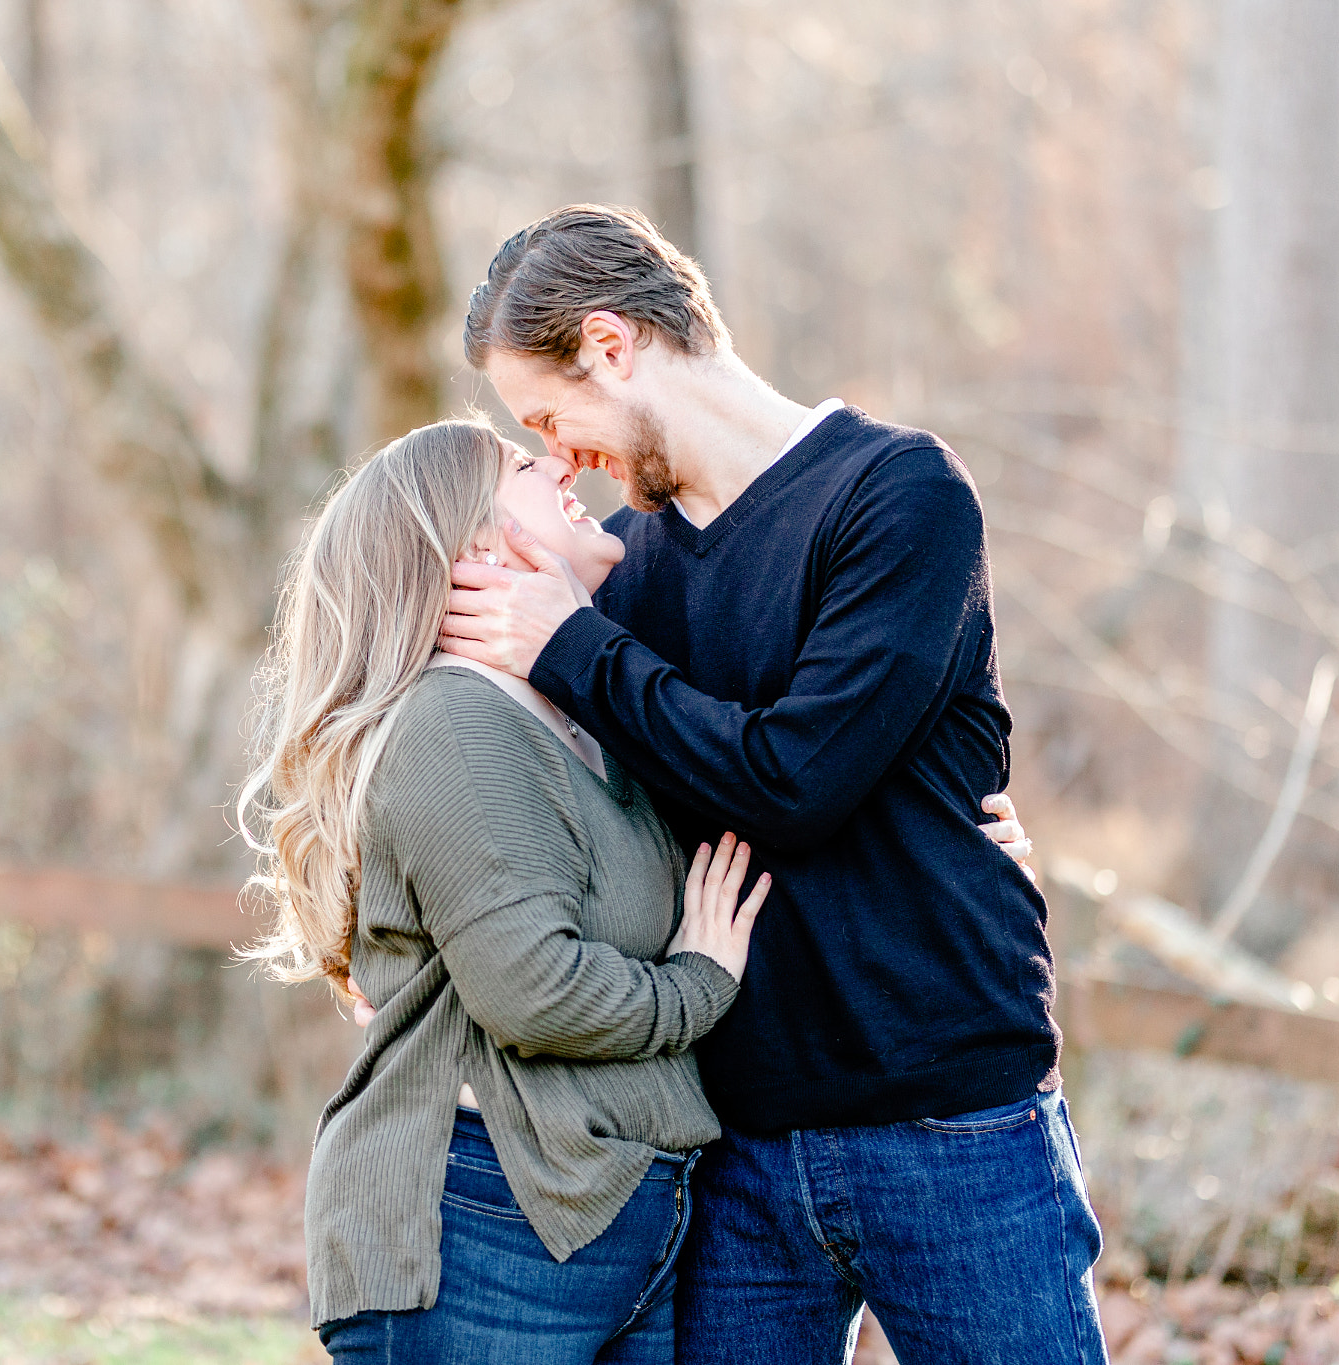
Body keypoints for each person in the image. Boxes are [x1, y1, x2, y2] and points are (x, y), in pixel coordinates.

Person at [437, 205, 1105, 1365]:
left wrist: (571, 647)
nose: (559, 457)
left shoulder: (894, 496)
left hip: (946, 1118)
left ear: (610, 343)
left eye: (552, 416)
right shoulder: (622, 582)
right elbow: (575, 822)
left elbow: (795, 781)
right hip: (735, 1139)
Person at [238, 416, 1039, 1363]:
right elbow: (536, 991)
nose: (556, 461)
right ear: (475, 544)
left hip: (628, 1225)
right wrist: (701, 979)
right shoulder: (459, 721)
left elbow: (764, 782)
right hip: (489, 1230)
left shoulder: (583, 708)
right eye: (518, 463)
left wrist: (956, 854)